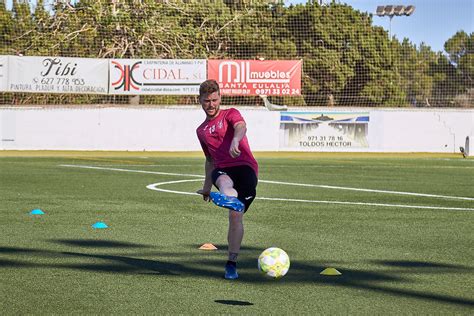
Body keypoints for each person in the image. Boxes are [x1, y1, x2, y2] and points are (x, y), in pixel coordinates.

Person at [196, 79, 258, 280]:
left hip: (246, 168)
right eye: (207, 101)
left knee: (235, 216)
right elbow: (209, 160)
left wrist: (235, 140)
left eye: (214, 100)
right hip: (223, 170)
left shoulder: (230, 113)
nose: (211, 105)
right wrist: (206, 188)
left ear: (220, 98)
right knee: (223, 181)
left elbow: (241, 127)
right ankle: (228, 198)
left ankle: (233, 260)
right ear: (200, 101)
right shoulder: (201, 131)